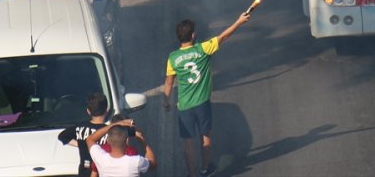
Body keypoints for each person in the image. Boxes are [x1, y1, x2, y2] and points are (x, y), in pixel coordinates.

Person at [163, 12, 251, 177]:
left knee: (188, 143)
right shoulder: (203, 49)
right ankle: (204, 169)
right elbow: (224, 36)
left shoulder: (173, 58)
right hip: (202, 103)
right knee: (205, 137)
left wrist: (165, 101)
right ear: (193, 35)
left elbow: (169, 82)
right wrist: (239, 21)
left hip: (184, 106)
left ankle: (192, 174)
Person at [58, 92, 113, 177]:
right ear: (107, 110)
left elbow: (62, 136)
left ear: (88, 111)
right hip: (103, 172)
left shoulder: (80, 127)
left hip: (84, 171)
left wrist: (81, 144)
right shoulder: (109, 131)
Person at [85, 118, 155, 176]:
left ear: (108, 140)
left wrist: (116, 124)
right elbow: (152, 162)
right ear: (126, 140)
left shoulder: (100, 159)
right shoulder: (136, 161)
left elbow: (90, 139)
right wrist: (142, 140)